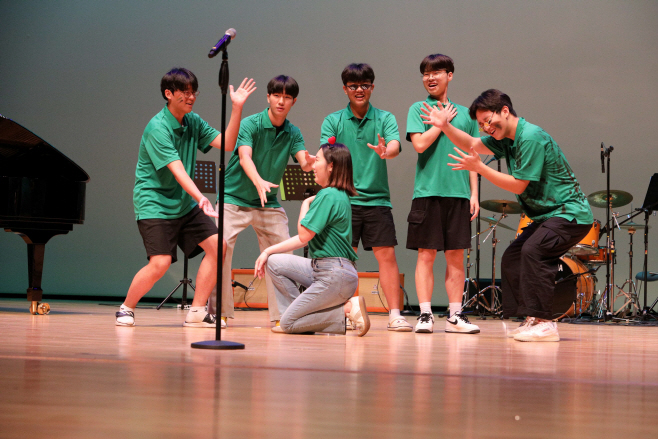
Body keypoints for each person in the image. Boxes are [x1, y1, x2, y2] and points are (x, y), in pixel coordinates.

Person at [421, 89, 593, 342]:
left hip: (570, 213)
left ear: (504, 111)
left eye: (487, 121)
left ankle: (546, 323)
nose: (485, 128)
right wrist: (445, 126)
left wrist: (479, 168)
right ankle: (532, 318)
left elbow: (518, 185)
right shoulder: (506, 139)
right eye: (480, 124)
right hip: (548, 216)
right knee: (513, 257)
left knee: (534, 251)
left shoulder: (530, 137)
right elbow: (472, 143)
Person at [116, 68, 256, 327]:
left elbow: (227, 143)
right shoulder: (157, 127)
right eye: (185, 93)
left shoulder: (193, 121)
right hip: (155, 203)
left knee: (219, 247)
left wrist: (236, 109)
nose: (191, 97)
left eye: (194, 92)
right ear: (169, 94)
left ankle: (197, 310)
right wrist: (200, 197)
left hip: (184, 202)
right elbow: (177, 168)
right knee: (160, 263)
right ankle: (126, 307)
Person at [211, 75, 314, 328]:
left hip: (267, 203)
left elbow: (303, 160)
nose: (281, 101)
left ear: (293, 101)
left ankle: (284, 316)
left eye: (287, 97)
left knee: (282, 256)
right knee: (219, 251)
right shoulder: (252, 124)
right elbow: (244, 156)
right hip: (233, 198)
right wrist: (258, 180)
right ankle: (218, 312)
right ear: (268, 97)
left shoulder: (293, 132)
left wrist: (310, 161)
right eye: (277, 95)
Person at [320, 63, 412, 332]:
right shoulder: (333, 119)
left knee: (387, 257)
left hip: (377, 201)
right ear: (345, 89)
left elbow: (394, 145)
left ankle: (395, 314)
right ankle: (348, 313)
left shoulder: (385, 118)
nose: (359, 90)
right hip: (344, 201)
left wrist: (387, 151)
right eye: (353, 86)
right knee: (345, 261)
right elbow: (326, 150)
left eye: (364, 85)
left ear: (372, 87)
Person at [254, 139, 370, 336]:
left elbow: (303, 234)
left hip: (334, 273)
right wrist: (267, 251)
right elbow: (303, 239)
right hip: (330, 270)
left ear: (331, 166)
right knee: (274, 262)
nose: (313, 166)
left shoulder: (328, 195)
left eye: (318, 161)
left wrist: (304, 206)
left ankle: (346, 310)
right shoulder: (338, 195)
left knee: (289, 323)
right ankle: (301, 320)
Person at [406, 53, 481, 334]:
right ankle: (425, 314)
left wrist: (474, 194)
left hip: (458, 193)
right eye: (426, 73)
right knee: (426, 255)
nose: (430, 77)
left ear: (450, 75)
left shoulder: (466, 114)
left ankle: (455, 314)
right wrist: (440, 124)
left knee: (455, 257)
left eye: (437, 71)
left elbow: (473, 155)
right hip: (427, 191)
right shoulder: (418, 109)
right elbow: (420, 145)